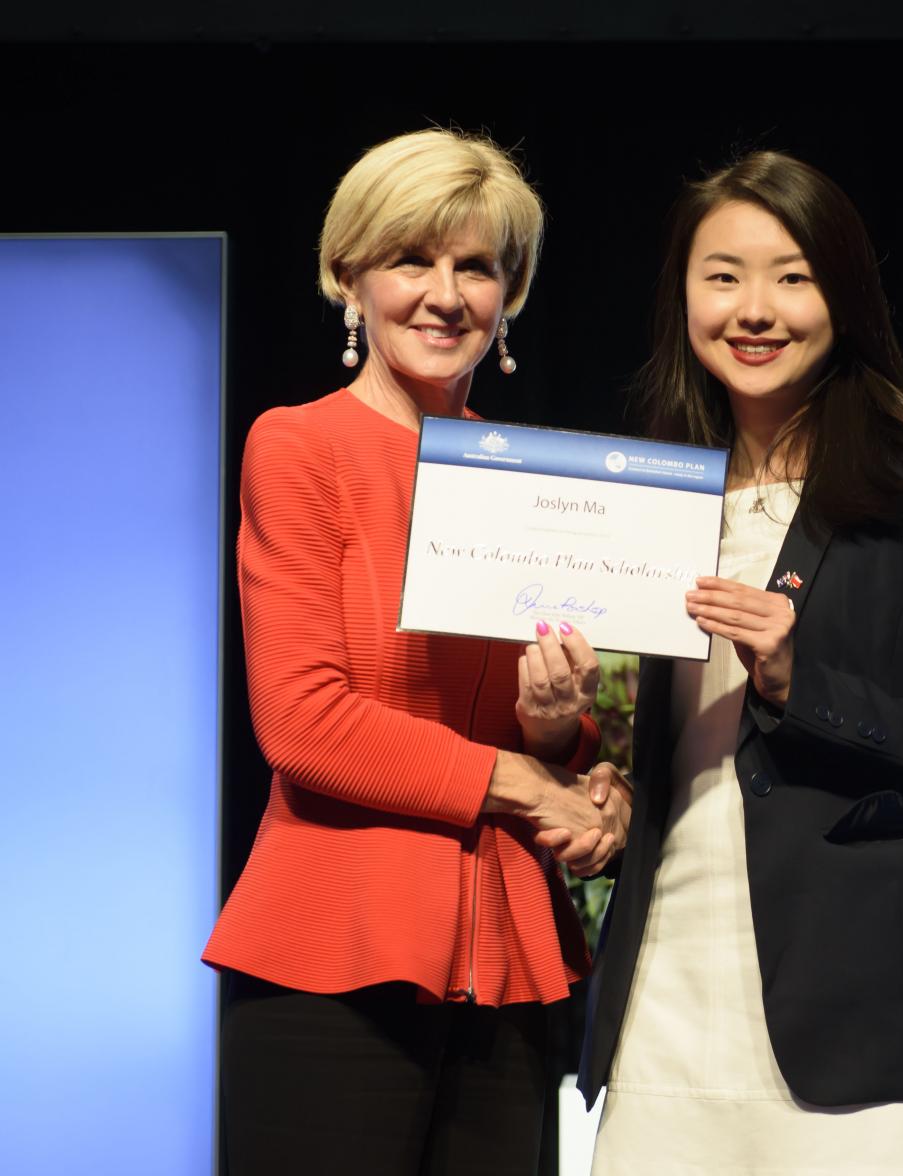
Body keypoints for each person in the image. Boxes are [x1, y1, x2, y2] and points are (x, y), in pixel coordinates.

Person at [579, 151, 903, 1174]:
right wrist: (583, 754)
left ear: (846, 293)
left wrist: (802, 688)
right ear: (682, 296)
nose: (757, 309)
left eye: (794, 276)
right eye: (723, 276)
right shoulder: (652, 494)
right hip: (668, 992)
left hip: (859, 1015)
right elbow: (655, 747)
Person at [203, 128, 629, 1176]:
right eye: (411, 259)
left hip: (508, 964)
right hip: (333, 959)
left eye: (476, 267)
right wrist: (528, 781)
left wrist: (563, 742)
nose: (445, 294)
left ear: (509, 293)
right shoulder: (299, 446)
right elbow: (304, 721)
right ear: (349, 275)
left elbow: (537, 730)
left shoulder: (529, 480)